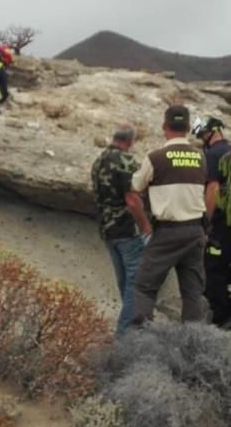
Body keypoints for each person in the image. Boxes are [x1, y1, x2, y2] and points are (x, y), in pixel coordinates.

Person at [130, 105, 208, 326]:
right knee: (192, 293)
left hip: (166, 232)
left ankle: (141, 341)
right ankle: (194, 344)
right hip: (195, 231)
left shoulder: (156, 157)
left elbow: (136, 186)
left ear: (164, 127)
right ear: (187, 128)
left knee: (144, 288)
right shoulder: (200, 157)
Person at [91, 125, 152, 335]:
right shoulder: (126, 161)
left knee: (125, 284)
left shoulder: (99, 160)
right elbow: (132, 200)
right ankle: (125, 337)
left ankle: (133, 329)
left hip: (107, 231)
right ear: (131, 141)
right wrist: (145, 227)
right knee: (135, 287)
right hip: (127, 230)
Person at [192, 115, 231, 328]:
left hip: (222, 222)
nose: (201, 138)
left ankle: (222, 317)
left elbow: (212, 189)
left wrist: (206, 222)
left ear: (210, 132)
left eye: (201, 134)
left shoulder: (213, 155)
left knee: (213, 268)